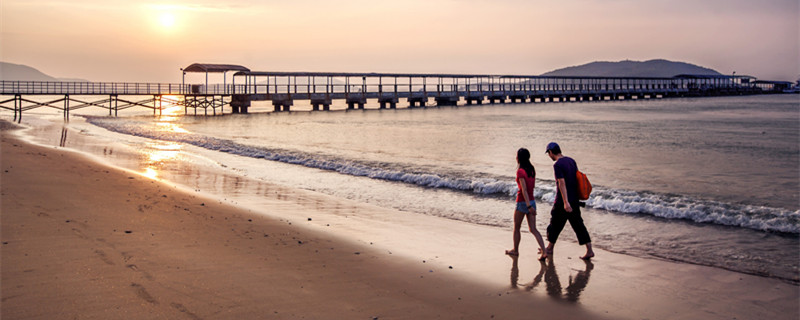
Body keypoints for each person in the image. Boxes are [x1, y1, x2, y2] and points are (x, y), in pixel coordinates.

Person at [544, 142, 595, 260]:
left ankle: (550, 248)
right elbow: (576, 179)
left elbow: (561, 183)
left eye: (548, 153)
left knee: (554, 224)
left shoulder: (557, 165)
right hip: (574, 199)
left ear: (551, 152)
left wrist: (566, 202)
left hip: (563, 201)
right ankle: (589, 250)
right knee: (578, 225)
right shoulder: (571, 161)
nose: (549, 156)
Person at [505, 148, 548, 260]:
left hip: (522, 202)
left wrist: (528, 206)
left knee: (517, 227)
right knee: (533, 229)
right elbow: (530, 188)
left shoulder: (520, 171)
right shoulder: (532, 169)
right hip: (532, 200)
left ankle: (515, 250)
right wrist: (531, 205)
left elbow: (523, 190)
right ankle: (544, 251)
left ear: (519, 158)